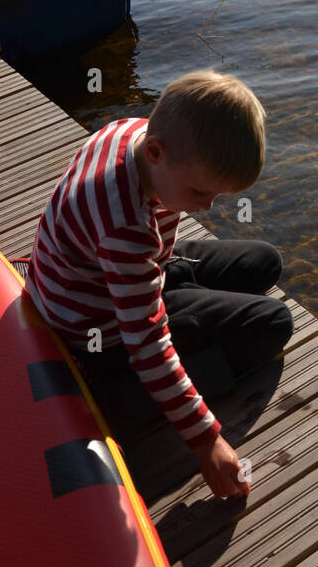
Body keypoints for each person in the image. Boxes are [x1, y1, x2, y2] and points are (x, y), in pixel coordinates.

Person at [25, 70, 293, 501]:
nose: (206, 206)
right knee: (273, 323)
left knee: (265, 263)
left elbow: (141, 238)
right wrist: (206, 440)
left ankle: (178, 295)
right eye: (200, 192)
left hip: (126, 270)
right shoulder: (126, 228)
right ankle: (126, 393)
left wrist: (159, 249)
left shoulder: (128, 133)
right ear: (156, 151)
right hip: (100, 327)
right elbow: (147, 342)